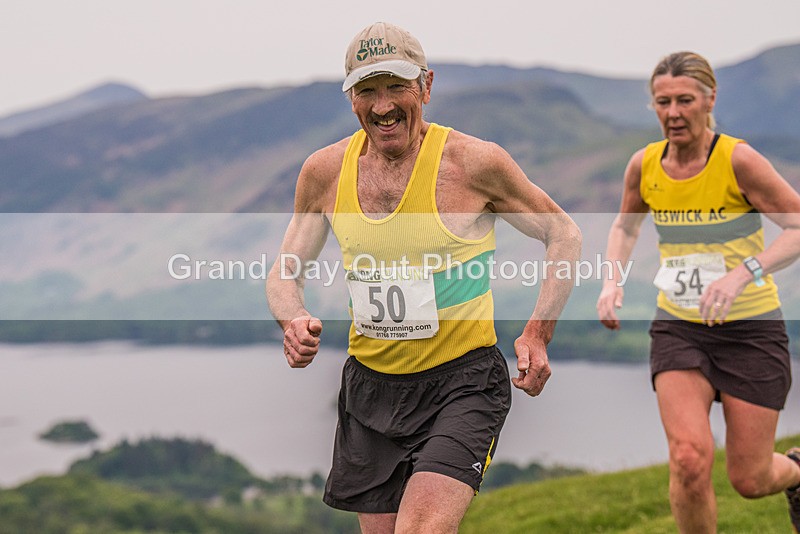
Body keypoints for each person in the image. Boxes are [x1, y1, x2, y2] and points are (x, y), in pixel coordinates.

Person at [266, 21, 581, 533]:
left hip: (463, 382)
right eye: (368, 89)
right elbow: (285, 269)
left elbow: (563, 234)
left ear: (426, 87)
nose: (383, 104)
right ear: (351, 99)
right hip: (370, 389)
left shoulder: (473, 163)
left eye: (397, 86)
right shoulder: (324, 172)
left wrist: (537, 333)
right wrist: (291, 316)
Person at [596, 50, 800, 533]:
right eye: (662, 102)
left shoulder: (738, 159)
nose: (673, 113)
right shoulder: (644, 165)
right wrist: (612, 280)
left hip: (751, 331)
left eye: (684, 100)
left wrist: (741, 273)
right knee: (688, 459)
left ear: (710, 100)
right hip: (679, 327)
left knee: (750, 478)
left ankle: (796, 472)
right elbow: (625, 229)